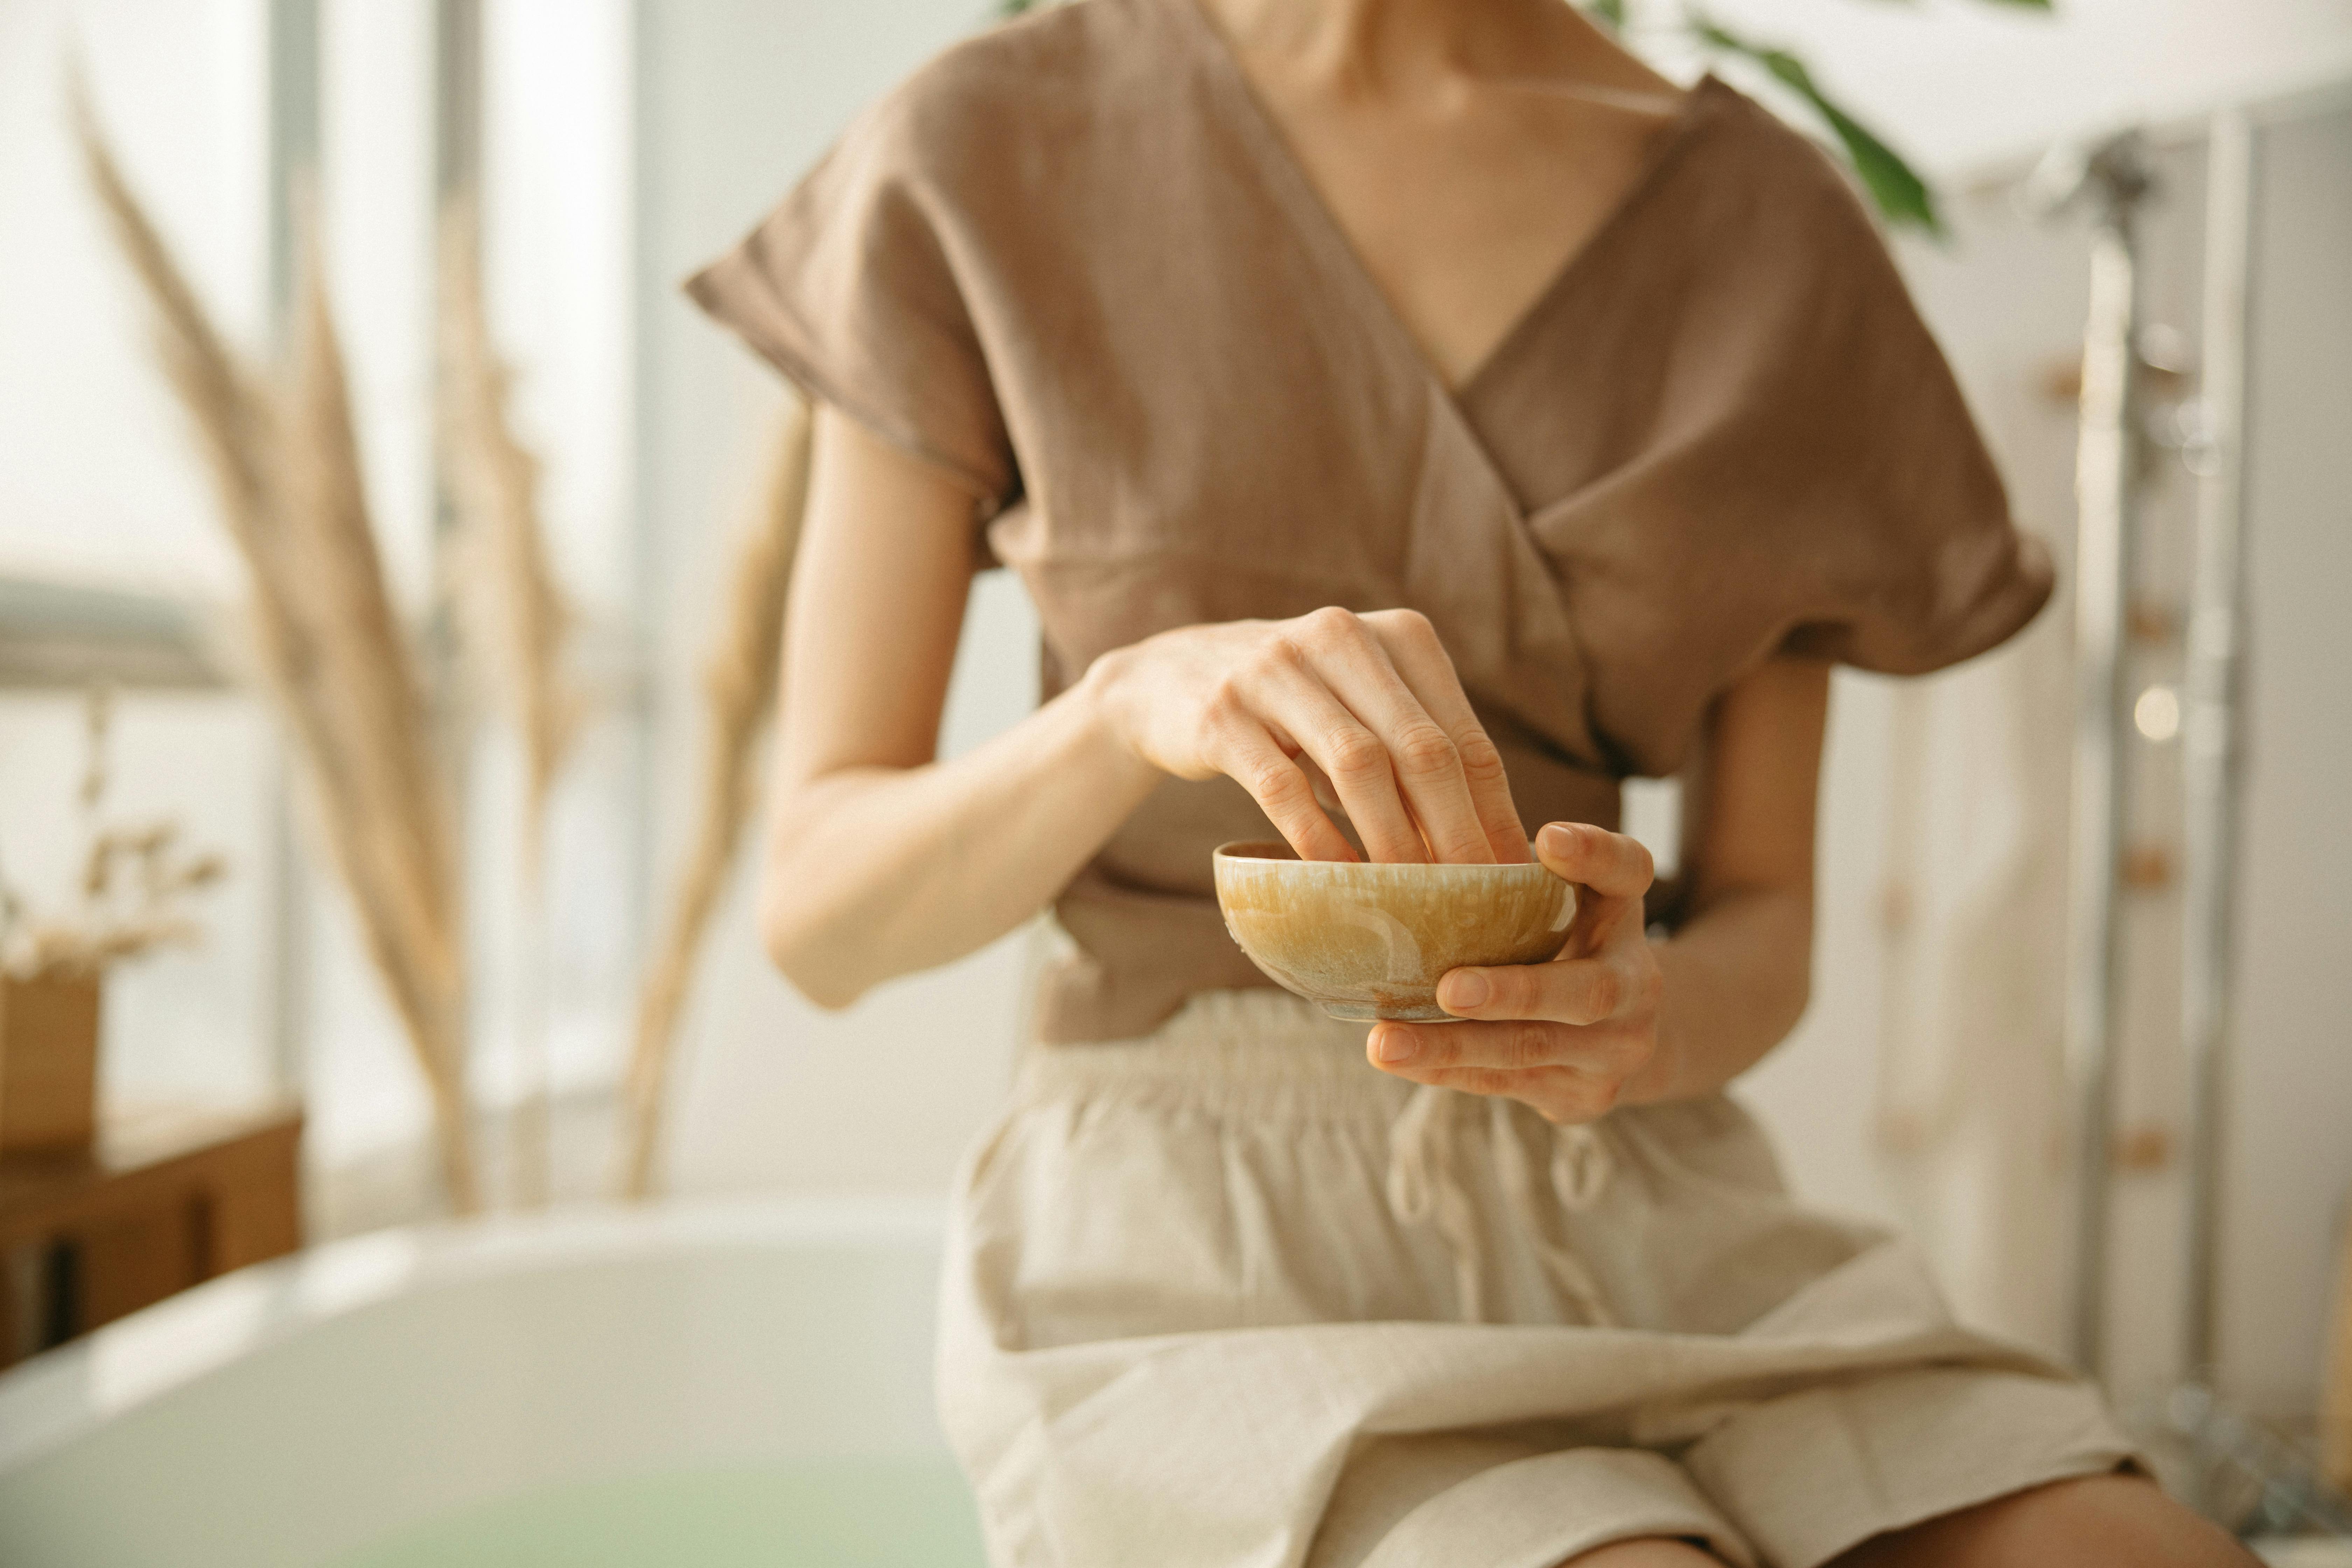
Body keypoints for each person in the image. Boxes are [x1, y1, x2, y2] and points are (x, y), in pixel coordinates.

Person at [688, 1, 2254, 1563]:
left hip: (1649, 1211)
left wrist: (1643, 1019)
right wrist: (1114, 710)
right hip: (1195, 1248)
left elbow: (1767, 920)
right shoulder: (989, 145)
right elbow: (822, 915)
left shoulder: (1768, 227)